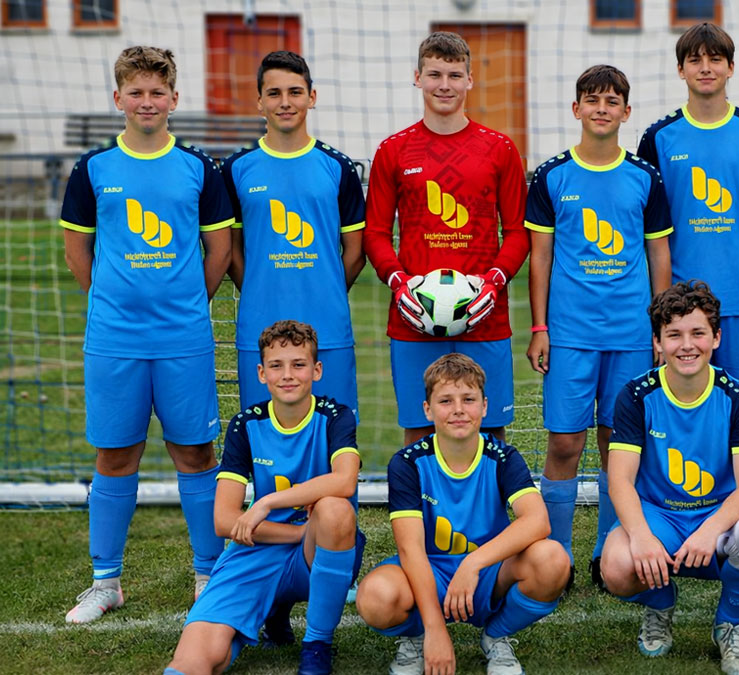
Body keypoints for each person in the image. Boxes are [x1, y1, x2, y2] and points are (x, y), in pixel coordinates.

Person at [59, 45, 231, 623]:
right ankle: (106, 582)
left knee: (195, 451)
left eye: (158, 92)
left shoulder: (199, 167)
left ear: (174, 99)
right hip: (115, 339)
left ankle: (208, 575)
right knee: (115, 455)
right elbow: (77, 251)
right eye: (136, 92)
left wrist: (186, 302)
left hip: (183, 338)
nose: (147, 101)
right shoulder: (93, 168)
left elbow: (219, 250)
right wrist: (112, 300)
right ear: (119, 98)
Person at [524, 64, 672, 580]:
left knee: (618, 444)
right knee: (565, 442)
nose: (602, 109)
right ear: (576, 108)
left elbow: (659, 255)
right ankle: (558, 554)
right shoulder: (551, 176)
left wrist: (660, 329)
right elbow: (540, 258)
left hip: (630, 334)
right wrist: (540, 328)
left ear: (626, 112)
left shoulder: (644, 177)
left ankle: (610, 550)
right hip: (570, 335)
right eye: (592, 100)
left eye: (612, 101)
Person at [164, 320, 363, 675]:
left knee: (335, 510)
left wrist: (266, 503)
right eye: (276, 365)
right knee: (194, 661)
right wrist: (297, 531)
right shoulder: (245, 425)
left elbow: (345, 480)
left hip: (315, 550)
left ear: (316, 370)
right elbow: (224, 521)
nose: (287, 375)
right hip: (257, 551)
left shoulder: (336, 416)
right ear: (261, 373)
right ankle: (272, 611)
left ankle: (316, 645)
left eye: (298, 364)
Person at [600, 281, 739, 675]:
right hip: (659, 516)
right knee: (616, 567)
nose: (686, 345)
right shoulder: (635, 396)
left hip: (717, 516)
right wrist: (641, 536)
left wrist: (710, 530)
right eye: (674, 335)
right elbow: (620, 481)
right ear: (657, 342)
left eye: (698, 333)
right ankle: (660, 602)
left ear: (716, 337)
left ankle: (729, 625)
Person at [355, 353, 570, 675]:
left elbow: (537, 521)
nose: (458, 409)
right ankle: (418, 637)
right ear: (427, 409)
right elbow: (410, 550)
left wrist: (473, 563)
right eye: (445, 401)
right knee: (375, 596)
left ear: (484, 406)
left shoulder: (503, 457)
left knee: (552, 560)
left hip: (487, 572)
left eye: (468, 399)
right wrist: (436, 630)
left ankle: (496, 636)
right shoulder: (408, 463)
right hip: (430, 570)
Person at [364, 31, 529, 445]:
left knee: (489, 431)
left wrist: (493, 283)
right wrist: (399, 284)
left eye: (454, 75)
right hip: (414, 317)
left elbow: (517, 233)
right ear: (417, 77)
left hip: (484, 315)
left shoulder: (500, 149)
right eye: (435, 74)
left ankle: (487, 494)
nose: (444, 85)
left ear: (470, 80)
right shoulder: (393, 150)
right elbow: (376, 234)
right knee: (420, 432)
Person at [636, 22, 739, 405]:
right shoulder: (659, 137)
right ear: (681, 70)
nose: (706, 68)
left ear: (731, 67)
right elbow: (650, 232)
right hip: (680, 305)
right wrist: (659, 304)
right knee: (681, 407)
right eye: (695, 60)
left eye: (715, 59)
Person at [224, 50, 366, 417]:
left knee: (333, 437)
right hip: (259, 328)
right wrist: (258, 288)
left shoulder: (338, 167)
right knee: (264, 439)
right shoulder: (236, 169)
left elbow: (355, 252)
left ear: (311, 97)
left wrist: (326, 288)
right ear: (259, 101)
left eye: (295, 92)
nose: (285, 102)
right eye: (274, 93)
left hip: (327, 329)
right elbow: (230, 251)